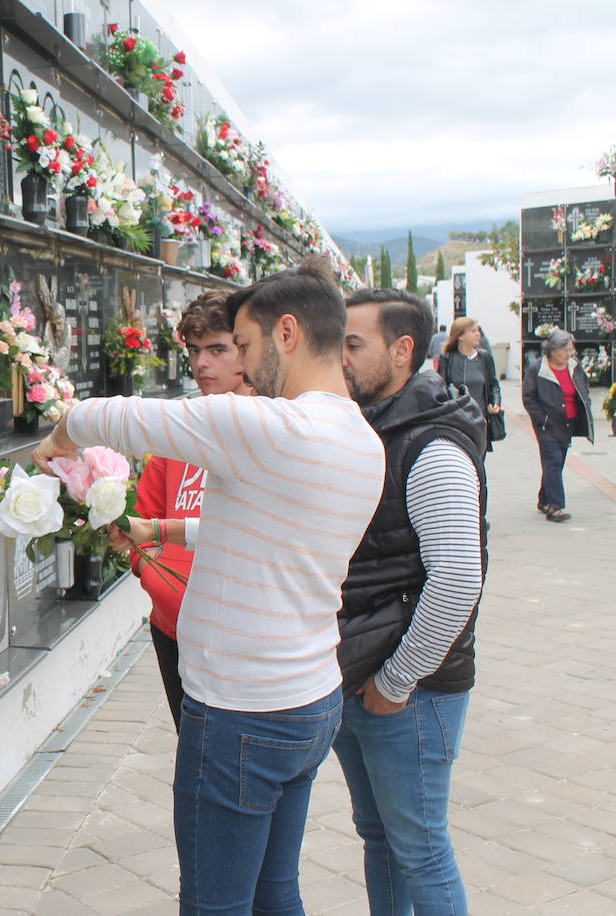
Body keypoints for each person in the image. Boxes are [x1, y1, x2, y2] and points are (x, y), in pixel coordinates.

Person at [32, 255, 384, 915]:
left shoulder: (271, 426)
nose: (243, 368)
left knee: (214, 904)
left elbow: (110, 417)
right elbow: (269, 533)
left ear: (287, 333)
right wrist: (160, 529)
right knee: (275, 890)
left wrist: (58, 439)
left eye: (244, 346)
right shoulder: (360, 439)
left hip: (240, 712)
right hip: (310, 699)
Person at [336, 288, 487, 915]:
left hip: (411, 689)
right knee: (381, 839)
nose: (338, 357)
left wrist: (398, 681)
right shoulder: (376, 426)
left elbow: (456, 579)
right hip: (364, 669)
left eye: (352, 343)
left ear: (402, 351)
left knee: (420, 849)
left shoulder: (432, 446)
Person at [110, 290, 253, 728]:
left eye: (217, 349)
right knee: (190, 742)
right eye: (194, 350)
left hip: (236, 630)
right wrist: (150, 568)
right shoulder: (183, 428)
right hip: (171, 623)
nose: (201, 363)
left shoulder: (265, 425)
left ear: (246, 350)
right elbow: (148, 511)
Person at [522, 329, 593, 522]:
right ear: (553, 350)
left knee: (557, 462)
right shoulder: (538, 369)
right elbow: (528, 397)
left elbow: (583, 388)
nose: (569, 354)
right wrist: (542, 419)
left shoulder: (574, 366)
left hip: (568, 422)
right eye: (565, 350)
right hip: (547, 424)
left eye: (571, 350)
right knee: (553, 459)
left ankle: (544, 499)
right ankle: (555, 507)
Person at [437, 317, 501, 452]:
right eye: (473, 331)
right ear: (460, 336)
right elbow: (440, 389)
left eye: (478, 330)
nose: (478, 334)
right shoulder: (447, 358)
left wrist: (495, 402)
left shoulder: (485, 357)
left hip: (480, 423)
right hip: (455, 424)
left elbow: (493, 385)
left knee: (478, 466)